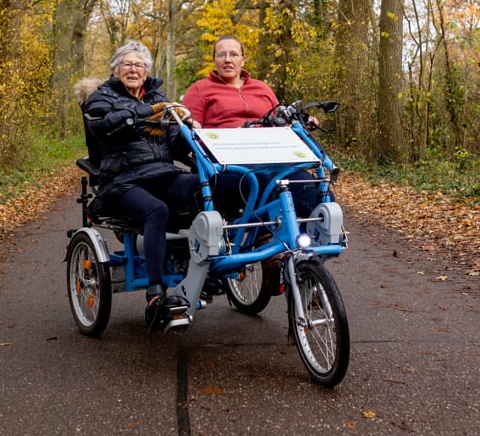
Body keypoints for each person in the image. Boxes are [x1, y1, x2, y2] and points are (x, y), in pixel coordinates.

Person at [80, 40, 199, 328]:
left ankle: (205, 270)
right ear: (115, 69)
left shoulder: (159, 97)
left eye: (139, 65)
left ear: (146, 72)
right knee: (156, 210)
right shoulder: (100, 96)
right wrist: (144, 112)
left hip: (161, 174)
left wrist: (186, 129)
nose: (134, 69)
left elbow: (172, 142)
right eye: (128, 64)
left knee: (207, 185)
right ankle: (156, 295)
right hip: (121, 181)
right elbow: (102, 126)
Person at [182, 35, 319, 218]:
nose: (228, 60)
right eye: (221, 55)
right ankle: (270, 231)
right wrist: (192, 125)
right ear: (214, 60)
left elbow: (282, 122)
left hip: (271, 157)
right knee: (262, 180)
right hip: (226, 164)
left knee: (306, 183)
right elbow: (190, 130)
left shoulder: (262, 88)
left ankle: (310, 236)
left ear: (243, 59)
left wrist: (303, 125)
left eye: (233, 54)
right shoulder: (201, 89)